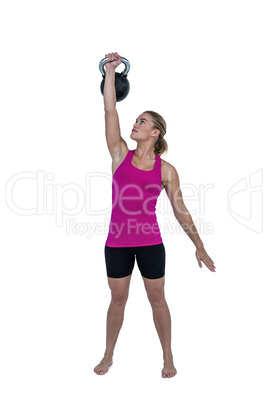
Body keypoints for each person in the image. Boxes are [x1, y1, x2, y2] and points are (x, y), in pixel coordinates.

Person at [94, 52, 216, 378]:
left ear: (156, 133)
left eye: (142, 122)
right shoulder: (120, 154)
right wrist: (109, 72)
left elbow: (180, 210)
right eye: (136, 120)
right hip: (117, 243)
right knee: (117, 301)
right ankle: (108, 355)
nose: (135, 123)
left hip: (150, 243)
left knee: (158, 301)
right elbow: (110, 109)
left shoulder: (167, 170)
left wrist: (199, 245)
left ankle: (168, 357)